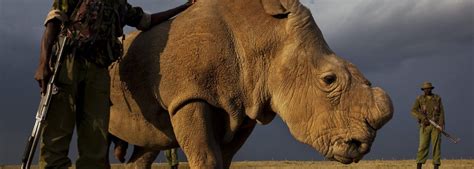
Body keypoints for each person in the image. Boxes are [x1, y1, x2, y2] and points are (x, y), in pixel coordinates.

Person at [34, 0, 195, 168]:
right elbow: (53, 20)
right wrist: (43, 63)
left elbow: (147, 21)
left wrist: (184, 6)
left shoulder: (119, 4)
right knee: (57, 130)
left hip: (99, 69)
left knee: (96, 136)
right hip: (67, 62)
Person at [411, 82, 445, 169]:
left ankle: (436, 166)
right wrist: (422, 118)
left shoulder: (437, 98)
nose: (427, 90)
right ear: (423, 90)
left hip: (436, 126)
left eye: (429, 88)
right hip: (424, 126)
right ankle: (419, 166)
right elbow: (413, 110)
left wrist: (441, 124)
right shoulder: (420, 99)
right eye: (425, 89)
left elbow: (441, 112)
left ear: (431, 89)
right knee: (422, 146)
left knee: (436, 147)